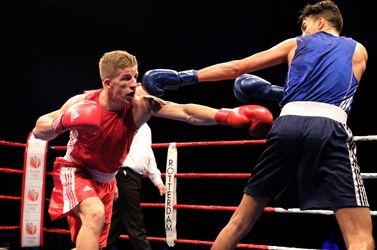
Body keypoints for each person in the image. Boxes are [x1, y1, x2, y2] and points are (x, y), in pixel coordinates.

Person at [141, 1, 374, 249]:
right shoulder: (358, 51)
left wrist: (183, 78)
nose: (303, 33)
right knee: (359, 237)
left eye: (305, 27)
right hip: (330, 128)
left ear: (319, 22)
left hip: (286, 125)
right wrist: (276, 92)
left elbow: (236, 68)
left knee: (239, 223)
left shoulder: (295, 44)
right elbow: (326, 92)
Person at [31, 50, 273, 250]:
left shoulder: (139, 107)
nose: (133, 85)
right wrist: (61, 123)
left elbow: (185, 112)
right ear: (107, 83)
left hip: (107, 180)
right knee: (94, 215)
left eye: (134, 77)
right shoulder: (82, 103)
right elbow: (40, 129)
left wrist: (227, 116)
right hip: (76, 169)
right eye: (125, 79)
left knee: (93, 241)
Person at [105, 121, 165, 250]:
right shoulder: (123, 121)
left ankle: (94, 247)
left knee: (115, 225)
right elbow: (111, 147)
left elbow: (148, 154)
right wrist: (112, 178)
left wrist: (157, 181)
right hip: (123, 175)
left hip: (134, 177)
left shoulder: (146, 128)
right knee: (135, 223)